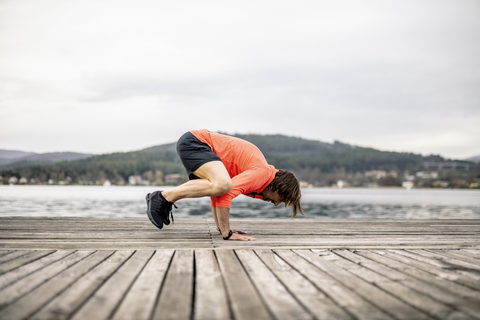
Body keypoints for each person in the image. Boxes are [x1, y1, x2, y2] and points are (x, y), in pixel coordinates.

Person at [146, 129, 304, 241]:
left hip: (193, 142)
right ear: (280, 185)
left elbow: (218, 195)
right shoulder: (261, 174)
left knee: (219, 186)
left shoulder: (260, 178)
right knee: (223, 185)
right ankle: (163, 197)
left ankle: (162, 197)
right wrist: (227, 233)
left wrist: (222, 228)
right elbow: (226, 193)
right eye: (280, 199)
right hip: (197, 142)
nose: (276, 204)